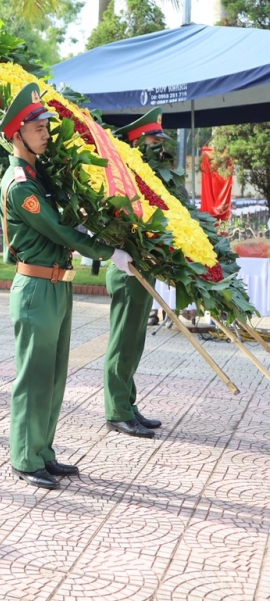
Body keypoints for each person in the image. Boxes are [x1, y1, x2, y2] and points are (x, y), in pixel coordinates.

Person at [0, 83, 132, 490]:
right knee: (33, 376)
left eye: (45, 126)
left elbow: (65, 224)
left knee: (53, 377)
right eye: (37, 127)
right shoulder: (21, 185)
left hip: (57, 286)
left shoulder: (39, 177)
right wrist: (108, 252)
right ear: (17, 133)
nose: (45, 132)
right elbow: (57, 230)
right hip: (36, 289)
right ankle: (23, 456)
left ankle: (42, 452)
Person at [101, 108, 172, 439]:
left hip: (143, 266)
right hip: (127, 269)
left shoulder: (144, 176)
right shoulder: (119, 177)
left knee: (136, 341)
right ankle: (117, 410)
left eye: (160, 141)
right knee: (123, 341)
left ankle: (128, 404)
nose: (158, 147)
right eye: (153, 141)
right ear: (136, 141)